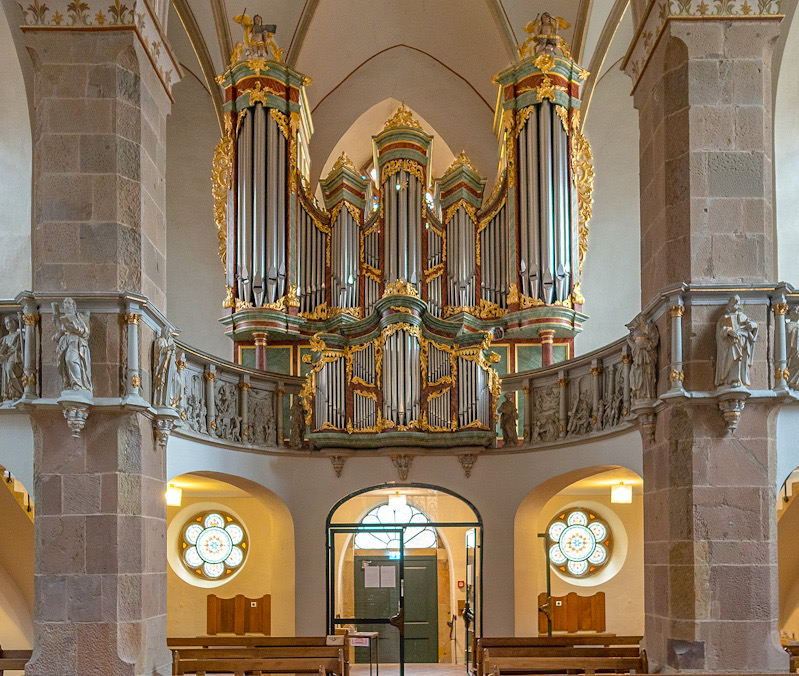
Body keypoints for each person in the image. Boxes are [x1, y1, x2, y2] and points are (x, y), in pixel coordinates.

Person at [715, 295, 758, 388]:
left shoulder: (743, 316)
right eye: (733, 301)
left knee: (740, 358)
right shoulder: (724, 318)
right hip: (730, 343)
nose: (735, 303)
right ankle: (729, 379)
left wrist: (753, 326)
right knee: (733, 356)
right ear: (729, 304)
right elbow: (719, 332)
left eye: (737, 302)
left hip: (742, 342)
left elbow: (752, 329)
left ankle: (738, 379)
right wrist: (728, 331)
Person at [52, 298, 92, 392]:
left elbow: (86, 332)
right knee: (63, 364)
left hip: (76, 342)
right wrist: (58, 334)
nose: (67, 305)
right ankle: (69, 382)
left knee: (70, 359)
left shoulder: (79, 317)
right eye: (65, 303)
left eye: (69, 303)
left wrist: (75, 328)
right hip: (65, 343)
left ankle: (78, 384)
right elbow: (60, 329)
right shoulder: (63, 319)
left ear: (74, 306)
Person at [0, 315, 23, 401]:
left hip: (14, 355)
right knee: (6, 374)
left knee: (10, 369)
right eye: (6, 323)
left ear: (14, 323)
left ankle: (18, 392)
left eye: (9, 322)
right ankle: (9, 393)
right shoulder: (4, 338)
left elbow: (20, 346)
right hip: (6, 358)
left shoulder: (19, 334)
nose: (7, 325)